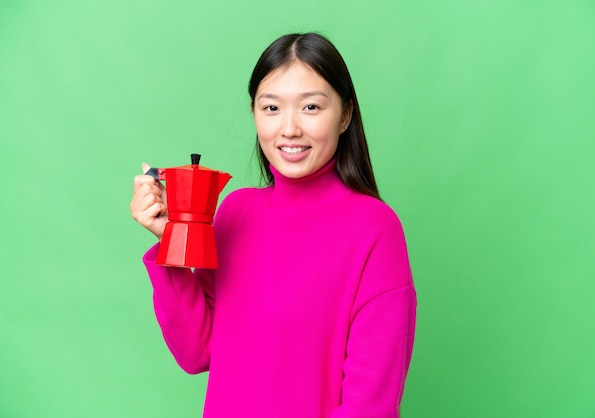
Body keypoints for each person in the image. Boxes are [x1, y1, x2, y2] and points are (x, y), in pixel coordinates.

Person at [130, 32, 417, 417]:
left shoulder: (374, 228)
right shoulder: (235, 212)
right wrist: (172, 239)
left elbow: (371, 404)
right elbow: (197, 351)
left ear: (346, 114)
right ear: (254, 114)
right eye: (271, 108)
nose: (289, 129)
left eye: (311, 107)